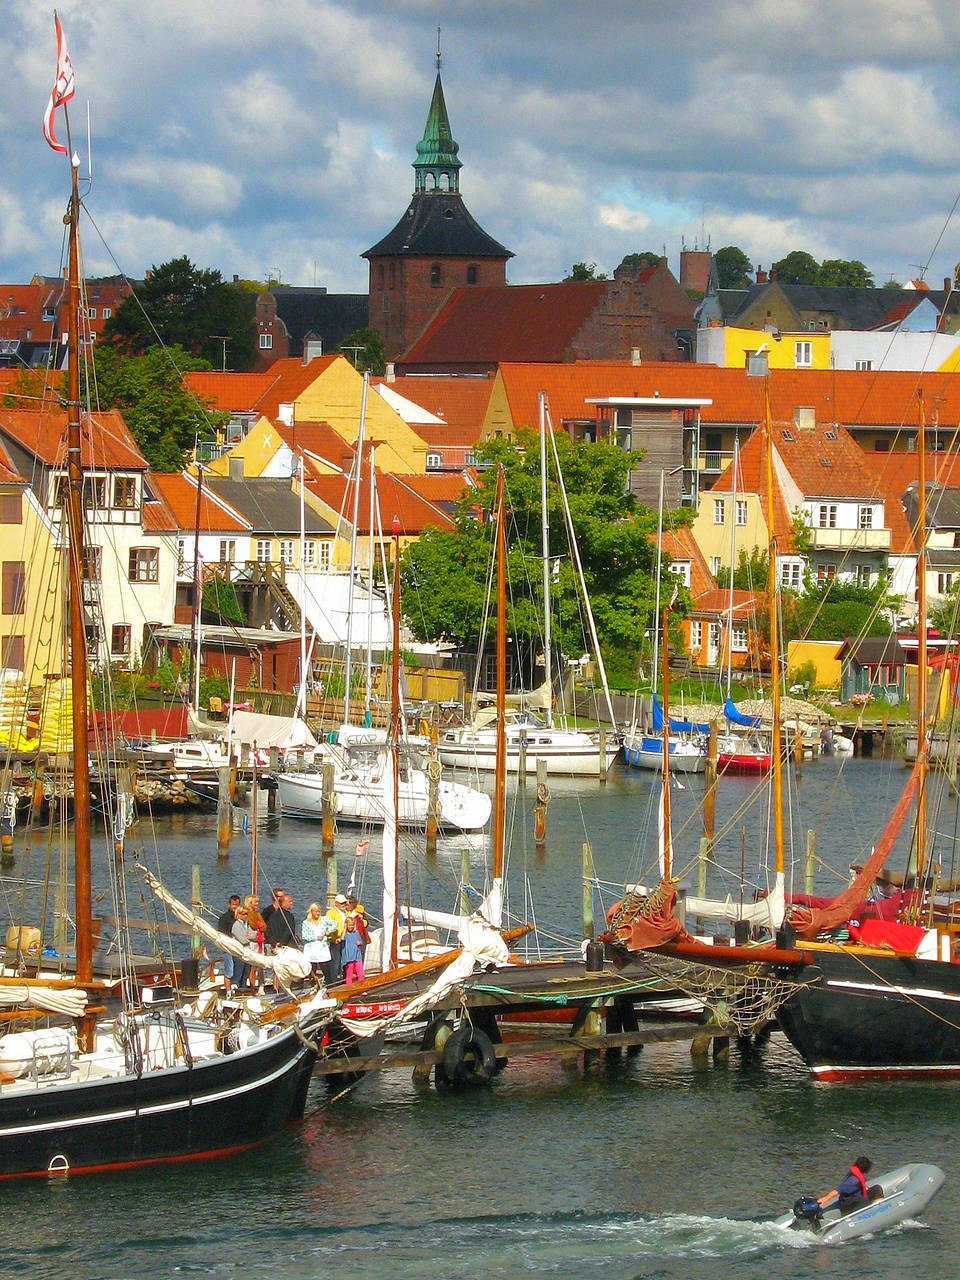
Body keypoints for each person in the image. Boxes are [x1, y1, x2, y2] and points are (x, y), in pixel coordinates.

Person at [216, 894, 241, 993]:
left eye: (237, 905)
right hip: (228, 947)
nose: (235, 907)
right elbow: (221, 932)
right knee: (229, 971)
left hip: (239, 947)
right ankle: (228, 991)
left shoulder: (240, 917)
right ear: (229, 905)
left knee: (239, 970)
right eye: (233, 905)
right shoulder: (225, 918)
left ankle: (238, 989)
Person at [301, 902, 331, 980]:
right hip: (311, 949)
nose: (317, 913)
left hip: (322, 948)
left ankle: (329, 985)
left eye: (319, 911)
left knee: (325, 968)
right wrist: (315, 938)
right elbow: (304, 936)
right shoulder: (306, 923)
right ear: (311, 912)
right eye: (315, 911)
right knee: (312, 969)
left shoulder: (323, 920)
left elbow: (334, 924)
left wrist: (329, 931)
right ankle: (312, 986)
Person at [231, 905, 256, 992]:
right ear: (238, 914)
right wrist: (249, 937)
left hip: (246, 952)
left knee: (246, 974)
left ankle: (243, 990)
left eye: (247, 914)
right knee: (238, 973)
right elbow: (243, 940)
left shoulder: (246, 924)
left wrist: (249, 936)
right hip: (239, 953)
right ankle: (236, 990)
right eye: (244, 914)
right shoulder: (236, 925)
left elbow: (254, 935)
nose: (246, 916)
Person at [325, 894, 347, 982]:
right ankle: (332, 981)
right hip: (335, 941)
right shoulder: (331, 913)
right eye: (342, 903)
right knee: (335, 962)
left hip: (344, 940)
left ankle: (345, 979)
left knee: (345, 961)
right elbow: (328, 926)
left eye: (345, 903)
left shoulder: (345, 913)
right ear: (336, 903)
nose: (344, 905)